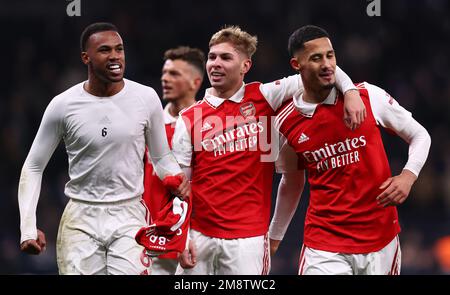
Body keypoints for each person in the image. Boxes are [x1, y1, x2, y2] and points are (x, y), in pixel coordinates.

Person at [172, 25, 366, 275]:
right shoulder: (188, 118)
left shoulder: (265, 96)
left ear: (245, 66)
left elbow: (320, 69)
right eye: (212, 57)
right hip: (199, 237)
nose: (215, 64)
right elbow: (180, 187)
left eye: (226, 57)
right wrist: (181, 236)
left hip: (249, 240)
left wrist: (350, 91)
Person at [17, 22, 189, 275]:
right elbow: (33, 166)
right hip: (81, 218)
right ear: (86, 57)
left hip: (130, 214)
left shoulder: (146, 97)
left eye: (119, 49)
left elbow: (161, 156)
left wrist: (173, 176)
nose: (115, 56)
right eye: (105, 50)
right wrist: (28, 228)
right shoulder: (63, 105)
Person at [269, 25, 431, 275]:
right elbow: (291, 182)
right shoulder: (282, 123)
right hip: (324, 246)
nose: (326, 64)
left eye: (330, 55)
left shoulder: (368, 95)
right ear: (296, 64)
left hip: (382, 240)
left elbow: (420, 135)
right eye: (316, 58)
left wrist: (408, 176)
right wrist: (274, 237)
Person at [141, 46, 205, 275]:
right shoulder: (148, 124)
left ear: (195, 83)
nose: (165, 79)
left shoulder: (207, 125)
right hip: (152, 238)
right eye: (164, 73)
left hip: (195, 239)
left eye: (174, 74)